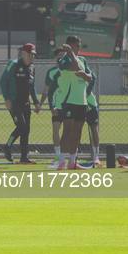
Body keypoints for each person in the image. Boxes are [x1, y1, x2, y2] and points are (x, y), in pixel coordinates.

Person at [48, 35, 92, 170]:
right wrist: (71, 54)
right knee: (67, 130)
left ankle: (72, 162)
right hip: (69, 101)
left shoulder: (83, 59)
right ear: (70, 47)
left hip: (81, 102)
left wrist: (83, 74)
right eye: (76, 46)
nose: (79, 48)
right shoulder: (63, 60)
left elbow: (90, 77)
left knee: (77, 132)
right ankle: (62, 161)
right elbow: (74, 66)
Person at [0, 43, 41, 164]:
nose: (31, 57)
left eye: (33, 55)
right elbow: (2, 81)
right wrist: (6, 99)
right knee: (21, 126)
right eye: (29, 54)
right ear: (23, 53)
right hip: (14, 102)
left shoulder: (32, 68)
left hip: (26, 103)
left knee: (26, 130)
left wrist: (36, 103)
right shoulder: (14, 64)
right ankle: (7, 146)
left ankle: (24, 157)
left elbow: (32, 87)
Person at [40, 47, 66, 166]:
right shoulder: (51, 72)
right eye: (60, 56)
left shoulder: (69, 69)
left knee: (69, 130)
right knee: (56, 128)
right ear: (55, 57)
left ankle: (70, 155)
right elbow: (47, 90)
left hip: (70, 105)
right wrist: (41, 104)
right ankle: (57, 154)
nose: (63, 58)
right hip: (57, 105)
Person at [85, 68, 102, 167]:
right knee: (76, 129)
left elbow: (93, 77)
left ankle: (96, 156)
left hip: (90, 104)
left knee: (94, 129)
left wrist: (87, 92)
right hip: (77, 103)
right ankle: (73, 156)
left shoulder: (82, 64)